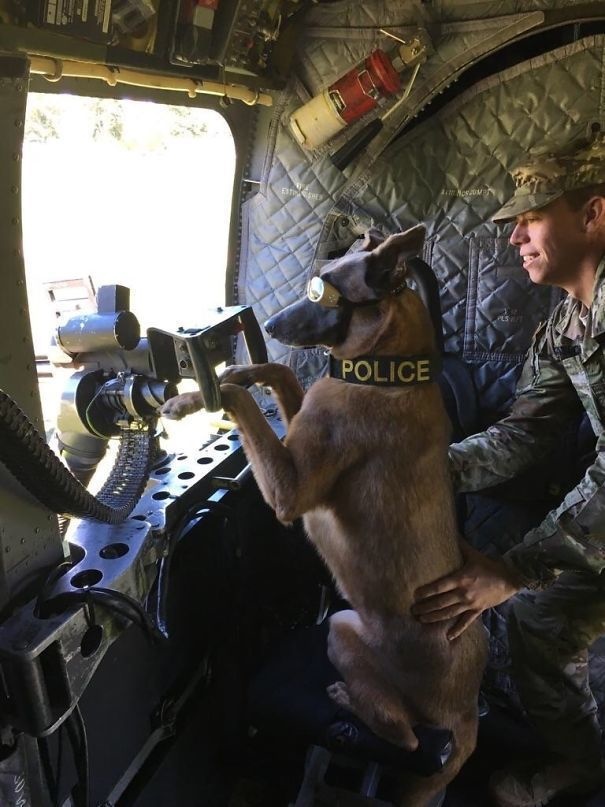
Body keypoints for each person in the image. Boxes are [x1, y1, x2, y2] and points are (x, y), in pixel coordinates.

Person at [412, 132, 605, 807]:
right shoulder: (566, 326)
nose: (513, 236)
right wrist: (422, 474)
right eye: (512, 223)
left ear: (592, 214)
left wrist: (517, 566)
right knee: (538, 622)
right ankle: (584, 765)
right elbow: (522, 433)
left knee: (523, 591)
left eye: (531, 216)